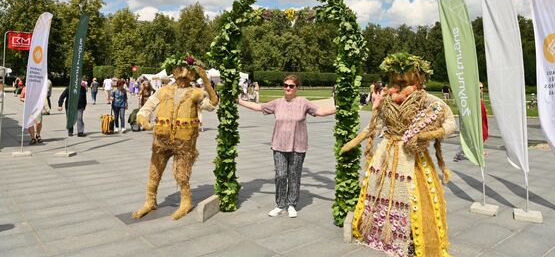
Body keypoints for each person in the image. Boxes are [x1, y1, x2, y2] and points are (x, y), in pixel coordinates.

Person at [340, 52, 456, 257]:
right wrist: (356, 140)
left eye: (406, 75)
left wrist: (430, 133)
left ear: (418, 77)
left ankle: (411, 239)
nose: (401, 79)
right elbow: (377, 124)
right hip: (386, 152)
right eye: (396, 76)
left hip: (412, 156)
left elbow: (450, 123)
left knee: (414, 196)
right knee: (378, 190)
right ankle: (381, 234)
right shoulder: (388, 98)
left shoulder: (426, 99)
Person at [132, 54, 218, 220]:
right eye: (180, 71)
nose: (183, 75)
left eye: (187, 72)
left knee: (181, 173)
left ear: (193, 74)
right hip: (161, 140)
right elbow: (146, 108)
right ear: (174, 71)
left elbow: (212, 104)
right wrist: (144, 120)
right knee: (154, 171)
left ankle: (186, 201)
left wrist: (206, 81)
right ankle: (150, 201)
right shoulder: (163, 91)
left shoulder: (196, 93)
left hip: (184, 142)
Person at [237, 74, 336, 218]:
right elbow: (258, 107)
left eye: (291, 86)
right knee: (281, 175)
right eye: (286, 85)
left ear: (296, 88)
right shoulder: (277, 103)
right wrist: (238, 101)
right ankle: (280, 204)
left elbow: (320, 112)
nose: (288, 88)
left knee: (294, 176)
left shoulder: (303, 102)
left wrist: (338, 108)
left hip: (298, 146)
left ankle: (291, 204)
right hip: (279, 146)